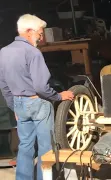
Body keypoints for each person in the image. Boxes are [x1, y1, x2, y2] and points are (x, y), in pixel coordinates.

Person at [0, 14, 74, 180]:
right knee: (45, 147)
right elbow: (41, 87)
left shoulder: (3, 52)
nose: (41, 39)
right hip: (38, 102)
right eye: (40, 34)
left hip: (19, 103)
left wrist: (14, 107)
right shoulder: (33, 52)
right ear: (28, 31)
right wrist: (58, 96)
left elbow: (3, 85)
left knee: (25, 146)